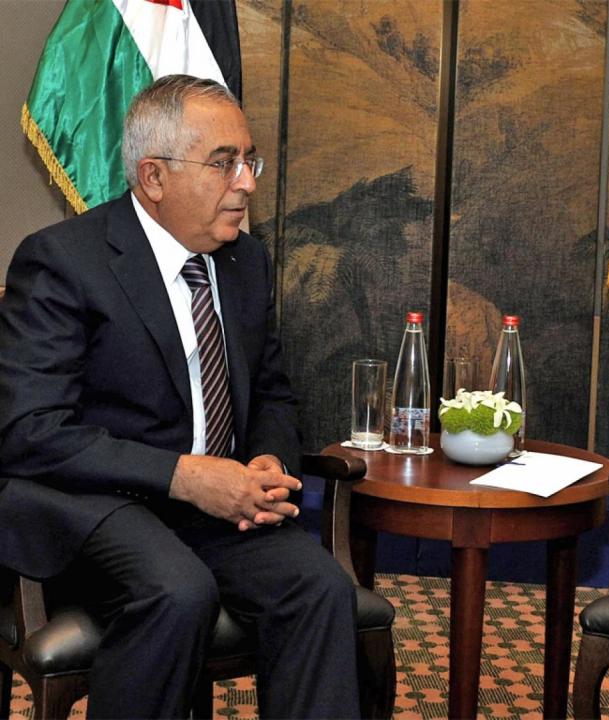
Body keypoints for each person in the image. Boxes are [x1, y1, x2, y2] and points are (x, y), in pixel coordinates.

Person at [0, 74, 361, 719]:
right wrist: (184, 476)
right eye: (225, 164)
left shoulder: (246, 263)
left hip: (218, 508)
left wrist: (270, 463)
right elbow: (28, 429)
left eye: (250, 161)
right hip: (94, 503)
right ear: (154, 176)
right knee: (177, 590)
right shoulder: (62, 262)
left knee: (320, 587)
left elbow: (273, 391)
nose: (247, 182)